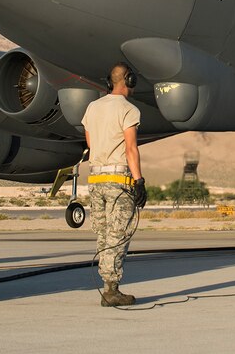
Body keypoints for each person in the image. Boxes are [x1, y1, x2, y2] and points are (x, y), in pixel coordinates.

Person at [81, 61, 147, 306]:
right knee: (119, 235)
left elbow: (89, 144)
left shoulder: (92, 108)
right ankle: (111, 288)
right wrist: (139, 181)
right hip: (118, 181)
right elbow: (131, 148)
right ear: (129, 81)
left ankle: (107, 283)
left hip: (96, 180)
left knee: (103, 233)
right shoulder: (128, 110)